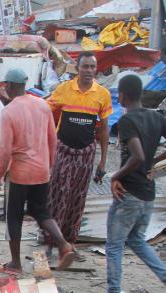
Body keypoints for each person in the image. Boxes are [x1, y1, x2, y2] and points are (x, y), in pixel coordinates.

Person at [93, 74, 166, 293]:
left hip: (129, 192)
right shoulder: (156, 117)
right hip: (147, 192)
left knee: (114, 245)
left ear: (122, 95)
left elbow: (137, 156)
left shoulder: (127, 122)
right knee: (136, 240)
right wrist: (155, 162)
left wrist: (116, 175)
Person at [0, 69, 76, 274]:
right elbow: (52, 139)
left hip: (19, 173)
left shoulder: (9, 111)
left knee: (13, 217)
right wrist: (48, 165)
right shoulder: (42, 105)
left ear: (10, 86)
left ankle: (15, 263)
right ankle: (64, 246)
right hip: (41, 171)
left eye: (5, 85)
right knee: (41, 211)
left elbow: (5, 149)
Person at [45, 51, 112, 246]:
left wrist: (103, 161)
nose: (89, 70)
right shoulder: (64, 90)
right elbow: (46, 112)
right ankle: (51, 239)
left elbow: (105, 130)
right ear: (78, 68)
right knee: (57, 194)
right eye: (85, 66)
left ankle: (69, 241)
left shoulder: (102, 95)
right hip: (63, 151)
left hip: (86, 154)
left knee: (77, 198)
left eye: (92, 67)